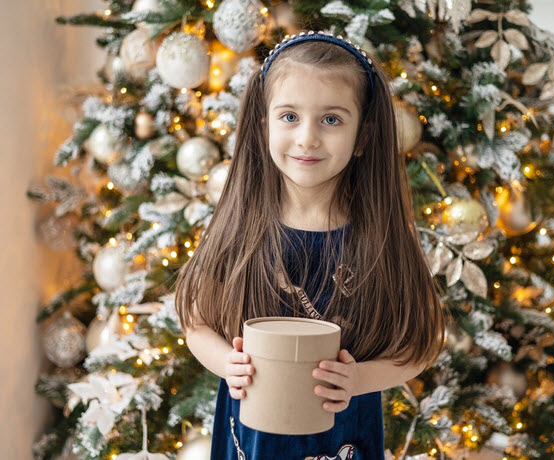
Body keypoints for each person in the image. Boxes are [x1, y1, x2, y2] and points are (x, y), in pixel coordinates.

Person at [175, 30, 445, 460]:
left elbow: (419, 345)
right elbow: (196, 323)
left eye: (331, 119)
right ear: (263, 126)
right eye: (289, 117)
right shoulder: (243, 227)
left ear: (362, 137)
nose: (307, 138)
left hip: (343, 438)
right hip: (251, 441)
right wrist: (225, 363)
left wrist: (359, 380)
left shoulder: (377, 239)